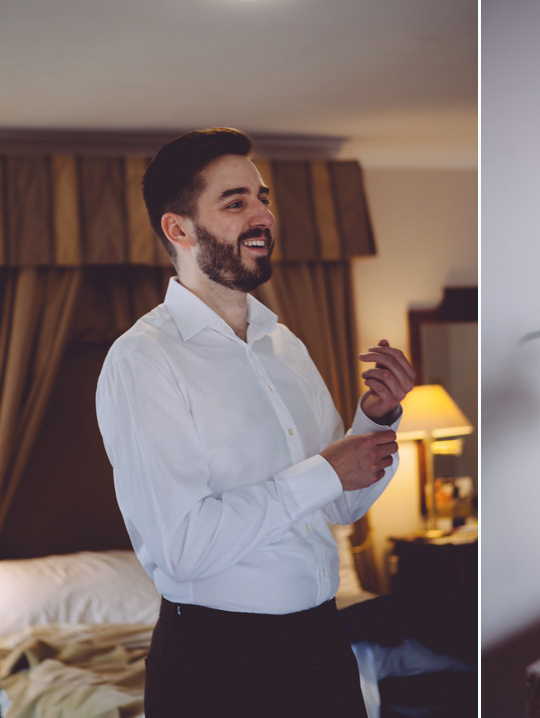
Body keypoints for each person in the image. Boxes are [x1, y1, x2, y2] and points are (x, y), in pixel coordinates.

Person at [95, 128, 414, 716]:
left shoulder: (283, 344)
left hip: (321, 646)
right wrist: (323, 472)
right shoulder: (143, 360)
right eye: (236, 202)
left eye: (262, 197)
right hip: (219, 665)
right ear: (179, 229)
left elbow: (339, 504)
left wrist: (375, 419)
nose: (263, 215)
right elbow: (184, 547)